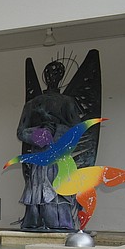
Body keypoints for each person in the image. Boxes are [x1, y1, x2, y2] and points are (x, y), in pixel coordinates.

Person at [15, 59, 84, 230]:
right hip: (39, 156)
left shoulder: (67, 102)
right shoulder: (32, 104)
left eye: (57, 73)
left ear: (61, 77)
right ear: (45, 77)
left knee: (59, 190)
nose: (53, 76)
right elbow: (21, 131)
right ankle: (35, 221)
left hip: (60, 155)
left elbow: (78, 130)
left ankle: (59, 222)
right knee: (38, 189)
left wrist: (56, 132)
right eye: (50, 73)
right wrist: (40, 133)